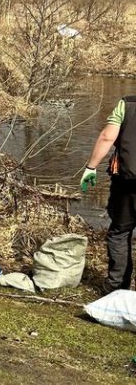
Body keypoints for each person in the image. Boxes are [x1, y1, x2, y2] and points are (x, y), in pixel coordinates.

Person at [81, 96, 136, 293]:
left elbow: (107, 137)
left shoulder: (127, 104)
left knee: (120, 233)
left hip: (128, 184)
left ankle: (117, 287)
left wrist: (91, 167)